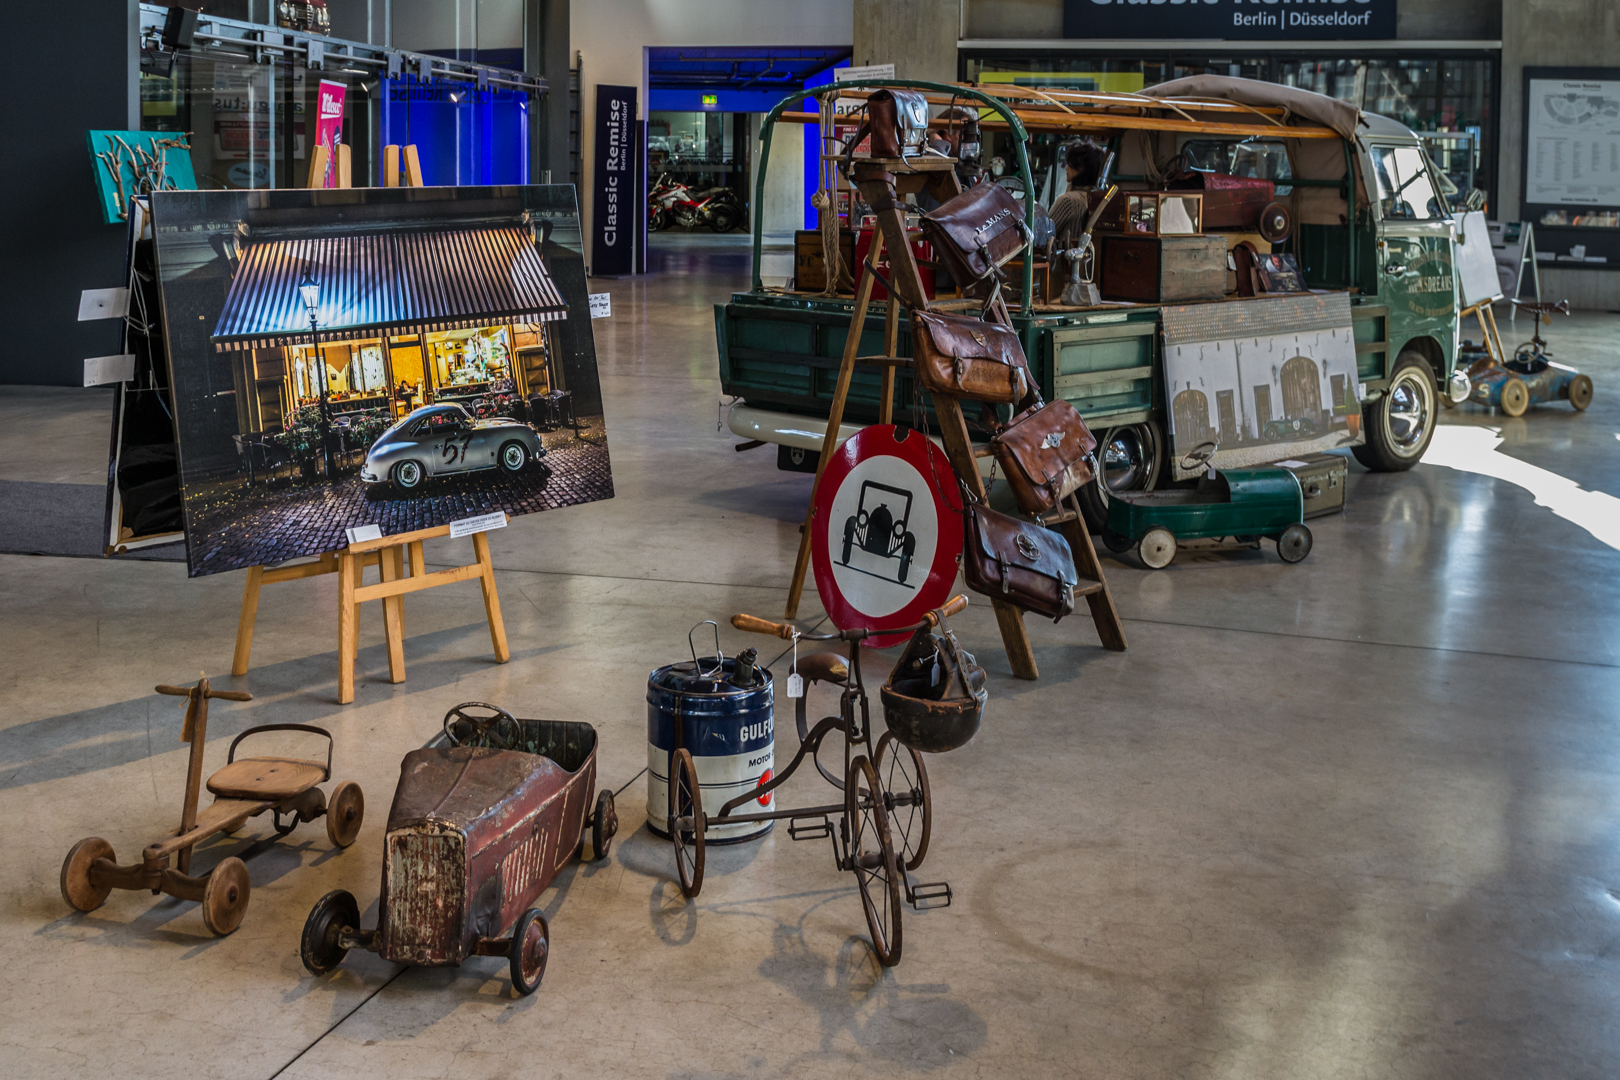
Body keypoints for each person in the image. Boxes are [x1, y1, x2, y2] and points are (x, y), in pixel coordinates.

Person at [1049, 142, 1110, 248]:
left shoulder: (1068, 201)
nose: (1066, 168)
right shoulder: (1095, 198)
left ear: (1080, 169)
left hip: (1064, 262)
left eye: (1070, 164)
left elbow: (1042, 235)